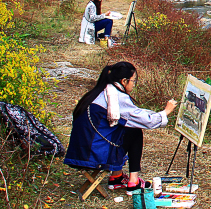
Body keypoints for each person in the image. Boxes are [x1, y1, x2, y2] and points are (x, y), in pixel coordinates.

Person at [64, 61, 177, 190]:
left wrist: (157, 113)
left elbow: (133, 113)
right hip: (91, 154)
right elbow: (147, 121)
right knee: (134, 132)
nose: (134, 84)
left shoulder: (103, 90)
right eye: (134, 81)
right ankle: (133, 182)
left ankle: (116, 177)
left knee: (125, 128)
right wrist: (166, 111)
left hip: (80, 150)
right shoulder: (116, 97)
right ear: (124, 81)